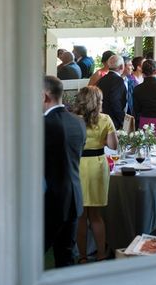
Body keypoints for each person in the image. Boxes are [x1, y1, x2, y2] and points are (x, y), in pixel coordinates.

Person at [43, 75, 86, 268]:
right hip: (73, 197)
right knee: (66, 257)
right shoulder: (78, 123)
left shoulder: (42, 125)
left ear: (44, 96)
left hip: (48, 200)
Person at [73, 86, 118, 263]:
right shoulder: (105, 119)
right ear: (98, 102)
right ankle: (100, 254)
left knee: (81, 216)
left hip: (79, 165)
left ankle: (83, 256)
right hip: (98, 165)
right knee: (96, 216)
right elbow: (113, 146)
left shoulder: (73, 120)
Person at [95, 54, 127, 129]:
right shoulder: (118, 80)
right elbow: (115, 102)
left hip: (102, 118)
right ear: (122, 66)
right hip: (114, 120)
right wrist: (122, 119)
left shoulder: (102, 79)